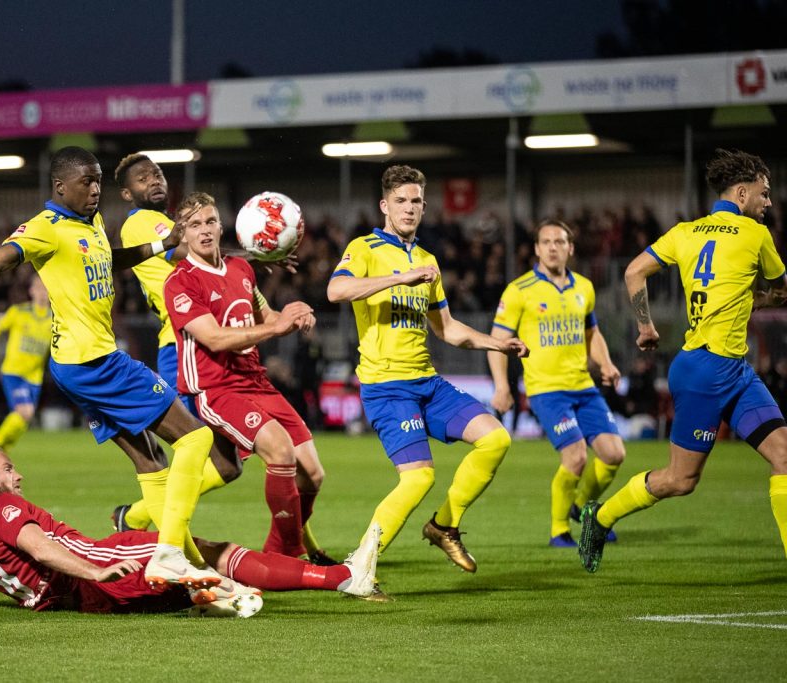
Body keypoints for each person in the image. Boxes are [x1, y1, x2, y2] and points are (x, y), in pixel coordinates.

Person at [0, 146, 220, 588]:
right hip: (96, 362)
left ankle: (189, 565)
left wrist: (163, 244)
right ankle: (171, 554)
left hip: (77, 367)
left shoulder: (94, 222)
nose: (95, 189)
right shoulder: (45, 228)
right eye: (86, 182)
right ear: (60, 186)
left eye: (99, 181)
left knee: (150, 459)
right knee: (196, 436)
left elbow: (109, 259)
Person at [113, 154, 335, 564]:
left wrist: (257, 263)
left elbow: (245, 292)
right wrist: (258, 252)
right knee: (202, 449)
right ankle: (171, 542)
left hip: (236, 357)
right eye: (143, 179)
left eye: (158, 174)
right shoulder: (141, 224)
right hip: (185, 347)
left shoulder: (233, 268)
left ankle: (138, 516)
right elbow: (185, 250)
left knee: (230, 466)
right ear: (128, 194)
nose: (154, 182)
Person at [579, 148, 787, 572]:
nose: (768, 203)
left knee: (784, 454)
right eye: (764, 194)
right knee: (680, 480)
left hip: (731, 370)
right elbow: (781, 290)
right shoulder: (756, 235)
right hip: (706, 372)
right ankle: (598, 517)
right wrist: (761, 296)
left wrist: (645, 327)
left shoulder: (685, 231)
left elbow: (633, 271)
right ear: (742, 193)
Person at [327, 164, 528, 574]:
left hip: (427, 383)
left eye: (416, 201)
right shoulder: (365, 248)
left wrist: (498, 343)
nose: (409, 208)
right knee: (418, 478)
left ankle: (443, 526)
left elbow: (448, 329)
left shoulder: (427, 259)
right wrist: (399, 278)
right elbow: (336, 290)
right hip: (387, 387)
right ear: (385, 205)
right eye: (400, 201)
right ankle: (359, 567)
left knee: (495, 440)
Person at [0, 445, 382, 616]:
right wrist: (95, 569)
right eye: (7, 468)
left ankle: (212, 599)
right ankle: (343, 578)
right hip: (98, 565)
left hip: (84, 603)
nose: (17, 475)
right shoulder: (1, 507)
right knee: (207, 550)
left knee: (192, 575)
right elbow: (38, 548)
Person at [163, 191, 329, 560]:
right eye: (194, 225)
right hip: (216, 390)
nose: (204, 230)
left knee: (313, 474)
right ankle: (290, 558)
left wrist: (294, 313)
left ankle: (278, 551)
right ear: (183, 234)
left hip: (257, 382)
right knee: (280, 451)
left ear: (222, 226)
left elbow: (265, 315)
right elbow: (214, 338)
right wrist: (277, 329)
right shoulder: (181, 281)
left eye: (209, 221)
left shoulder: (241, 269)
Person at [488, 220, 626, 547]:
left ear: (570, 248)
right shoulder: (519, 290)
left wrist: (605, 363)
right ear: (536, 248)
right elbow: (497, 341)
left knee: (613, 454)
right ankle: (558, 530)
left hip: (583, 385)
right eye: (546, 241)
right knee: (576, 456)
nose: (553, 247)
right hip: (546, 389)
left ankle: (581, 507)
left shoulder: (584, 288)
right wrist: (502, 386)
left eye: (560, 241)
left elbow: (592, 333)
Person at [0, 275, 51, 452]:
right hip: (13, 372)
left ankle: (4, 450)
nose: (43, 293)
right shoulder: (19, 312)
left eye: (46, 288)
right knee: (24, 412)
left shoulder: (56, 320)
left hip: (35, 377)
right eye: (39, 288)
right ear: (31, 291)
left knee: (24, 419)